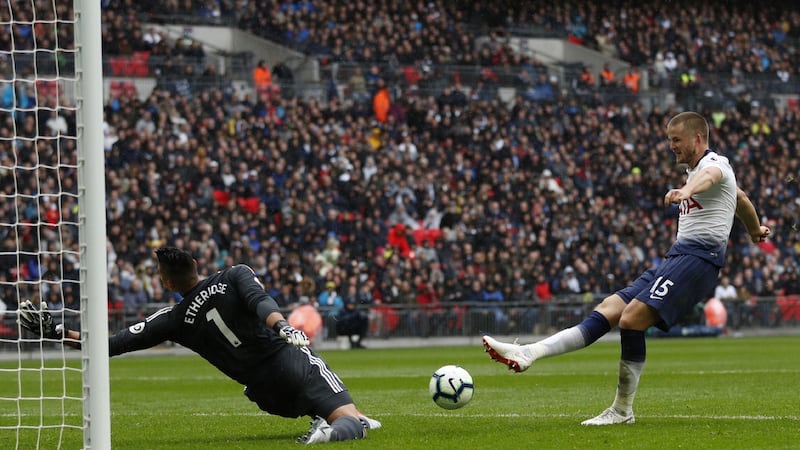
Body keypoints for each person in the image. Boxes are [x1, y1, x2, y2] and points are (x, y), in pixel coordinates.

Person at [482, 112, 770, 426]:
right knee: (609, 309)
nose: (671, 146)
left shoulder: (716, 164)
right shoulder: (698, 171)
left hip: (699, 260)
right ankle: (529, 353)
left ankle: (622, 411)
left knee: (632, 319)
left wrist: (687, 192)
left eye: (676, 139)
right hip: (677, 257)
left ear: (697, 139)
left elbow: (712, 176)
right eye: (669, 139)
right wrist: (754, 230)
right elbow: (740, 199)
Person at [18, 247, 381, 444]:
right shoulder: (235, 274)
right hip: (287, 360)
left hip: (266, 394)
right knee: (354, 421)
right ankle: (334, 430)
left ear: (165, 281)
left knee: (326, 405)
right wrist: (284, 327)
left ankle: (322, 416)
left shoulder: (173, 318)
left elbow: (111, 344)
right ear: (196, 263)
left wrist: (55, 331)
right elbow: (261, 302)